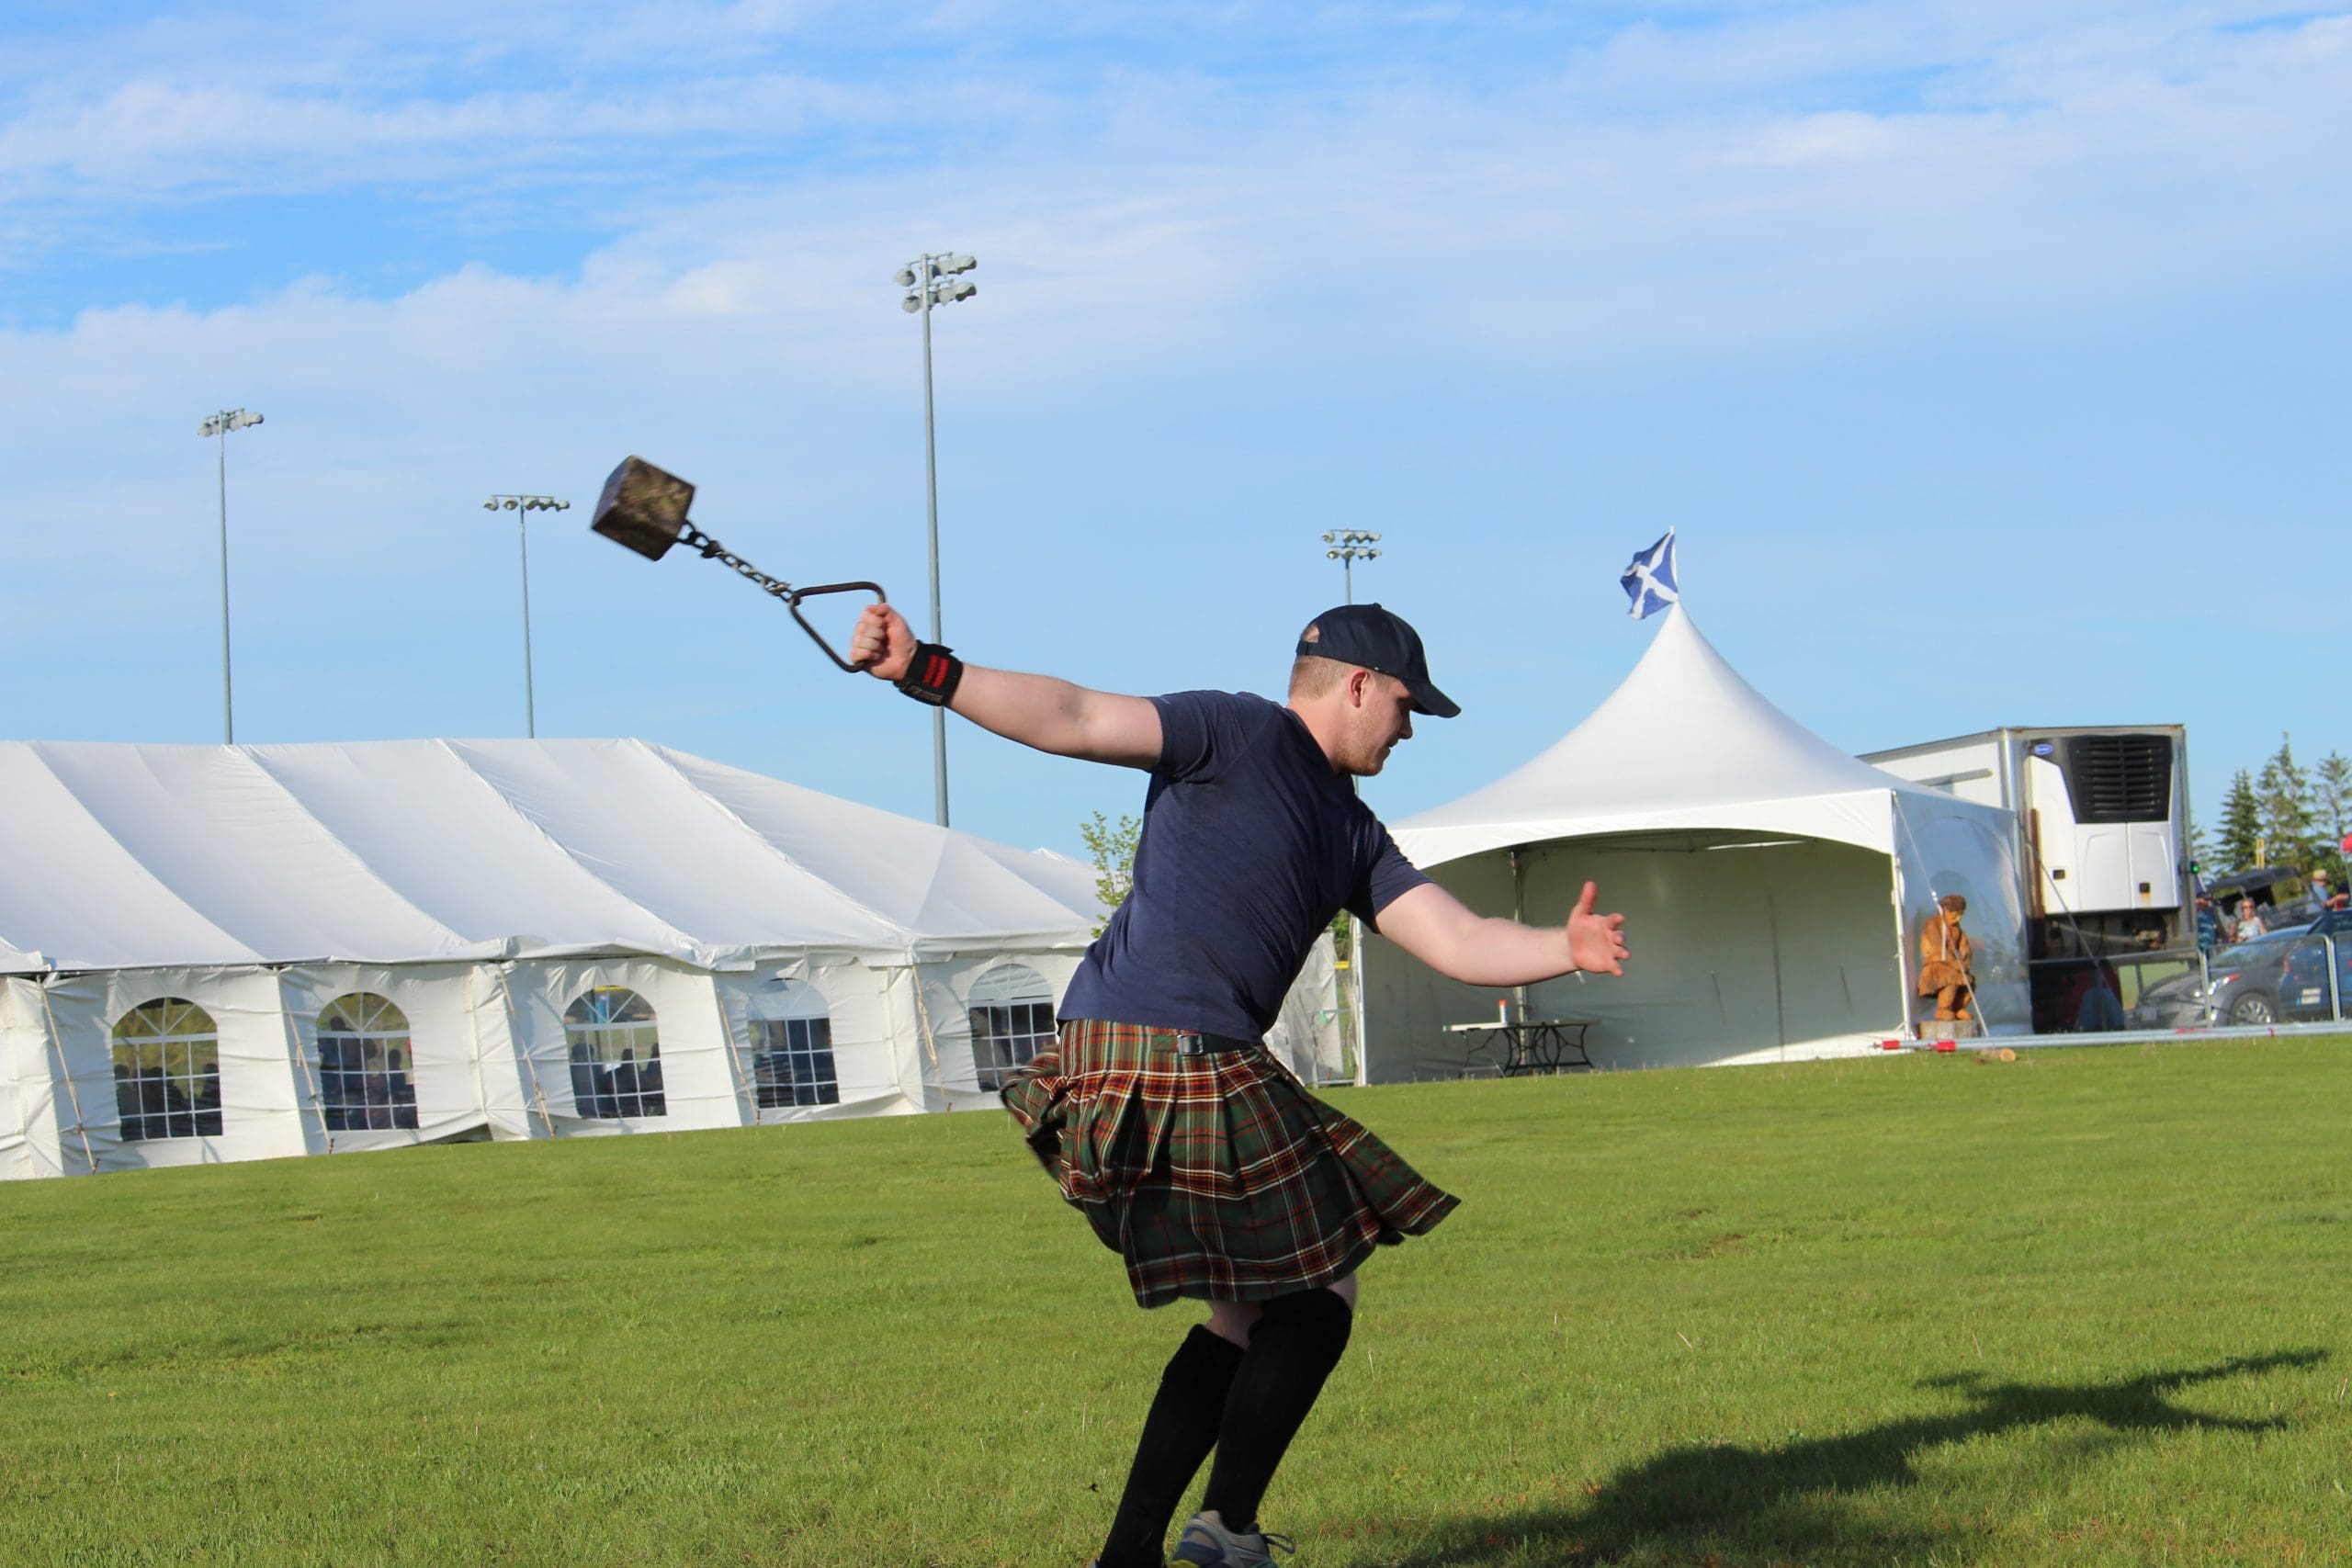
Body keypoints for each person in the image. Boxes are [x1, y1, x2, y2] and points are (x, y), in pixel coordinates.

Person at [847, 600, 1630, 1568]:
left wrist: (1564, 946)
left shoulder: (1352, 833)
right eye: (1403, 702)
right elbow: (1078, 716)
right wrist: (927, 669)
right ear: (1355, 684)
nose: (1411, 725)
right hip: (1170, 1055)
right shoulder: (1234, 730)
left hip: (1119, 1060)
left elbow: (1460, 940)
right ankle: (1226, 1530)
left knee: (1248, 1311)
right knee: (1321, 1291)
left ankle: (1132, 1553)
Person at [1917, 893, 1974, 1034]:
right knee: (1952, 978)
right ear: (1944, 911)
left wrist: (1964, 962)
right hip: (1935, 964)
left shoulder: (1957, 929)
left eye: (1961, 915)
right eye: (1954, 915)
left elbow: (1964, 948)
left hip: (1953, 965)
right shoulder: (1933, 924)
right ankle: (1943, 1009)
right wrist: (1954, 964)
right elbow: (1937, 949)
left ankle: (1957, 1008)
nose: (1958, 918)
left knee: (1970, 981)